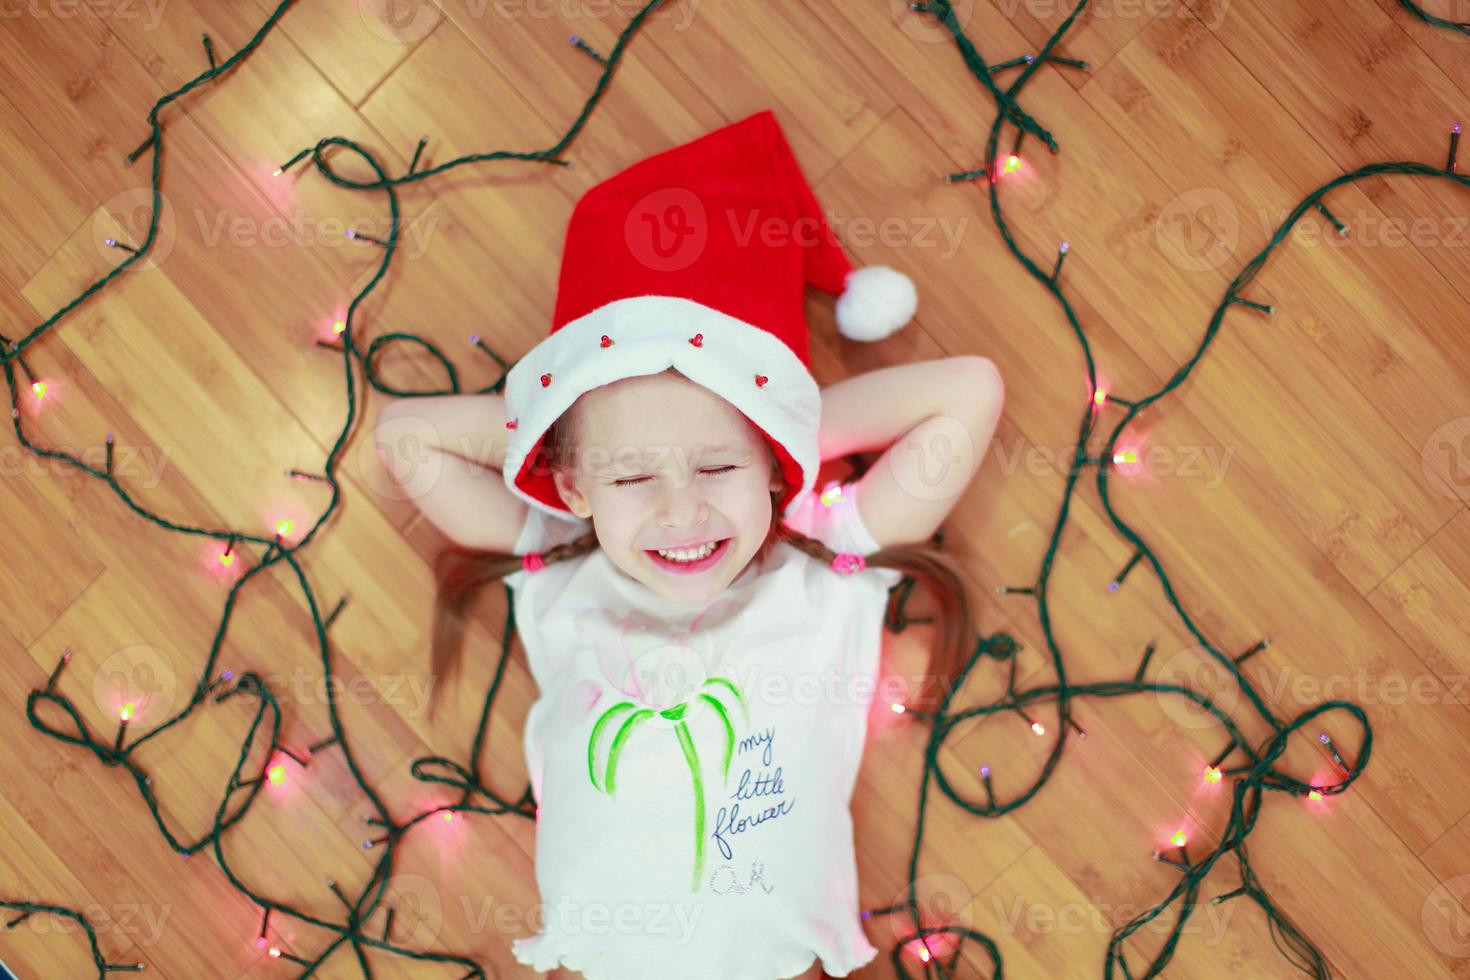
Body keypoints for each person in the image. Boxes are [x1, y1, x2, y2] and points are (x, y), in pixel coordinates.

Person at [375, 109, 1004, 979]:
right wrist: (577, 453)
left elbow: (970, 392)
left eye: (716, 467)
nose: (682, 514)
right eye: (633, 481)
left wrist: (784, 436)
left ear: (773, 468)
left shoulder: (827, 564)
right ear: (577, 487)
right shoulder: (563, 565)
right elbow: (405, 435)